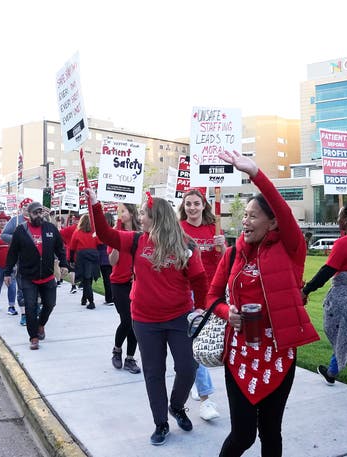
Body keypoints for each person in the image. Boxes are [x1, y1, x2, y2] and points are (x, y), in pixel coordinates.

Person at [206, 150, 319, 456]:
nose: (245, 221)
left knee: (271, 432)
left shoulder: (291, 249)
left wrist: (256, 173)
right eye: (244, 215)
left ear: (272, 223)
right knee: (242, 435)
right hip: (239, 353)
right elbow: (212, 297)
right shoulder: (232, 255)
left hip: (279, 354)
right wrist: (228, 313)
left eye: (253, 216)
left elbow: (282, 208)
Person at [87, 188, 207, 447]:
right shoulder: (136, 240)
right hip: (145, 319)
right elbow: (106, 234)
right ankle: (161, 422)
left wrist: (201, 308)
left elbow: (199, 279)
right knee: (154, 372)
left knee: (188, 368)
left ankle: (177, 406)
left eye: (143, 213)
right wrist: (95, 204)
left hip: (179, 318)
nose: (139, 217)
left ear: (156, 216)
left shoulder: (186, 245)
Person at [303, 199, 347, 403]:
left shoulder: (343, 243)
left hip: (344, 298)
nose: (337, 219)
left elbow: (327, 271)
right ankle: (332, 372)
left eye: (339, 215)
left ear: (345, 220)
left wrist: (306, 290)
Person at [178, 188, 225, 421]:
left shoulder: (213, 229)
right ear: (184, 206)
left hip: (213, 293)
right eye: (189, 204)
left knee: (213, 340)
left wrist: (223, 245)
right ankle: (206, 400)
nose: (193, 208)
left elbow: (225, 260)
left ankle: (198, 382)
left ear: (203, 205)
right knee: (197, 341)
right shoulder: (178, 230)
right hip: (189, 294)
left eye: (196, 203)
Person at [4, 202, 69, 350]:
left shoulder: (50, 229)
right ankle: (33, 337)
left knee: (50, 304)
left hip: (47, 275)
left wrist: (64, 264)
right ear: (29, 214)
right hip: (28, 277)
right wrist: (7, 272)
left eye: (40, 212)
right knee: (30, 307)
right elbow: (12, 253)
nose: (38, 215)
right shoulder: (21, 230)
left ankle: (41, 325)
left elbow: (60, 248)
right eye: (35, 213)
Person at [108, 203, 141, 374]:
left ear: (132, 212)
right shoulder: (115, 233)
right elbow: (112, 262)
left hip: (137, 283)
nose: (120, 214)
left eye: (123, 211)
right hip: (119, 284)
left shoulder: (140, 232)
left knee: (135, 322)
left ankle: (130, 358)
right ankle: (117, 349)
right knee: (127, 320)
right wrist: (116, 245)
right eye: (119, 212)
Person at [2, 198, 33, 326]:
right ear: (21, 208)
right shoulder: (15, 221)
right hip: (20, 260)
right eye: (24, 205)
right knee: (21, 287)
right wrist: (18, 239)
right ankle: (24, 315)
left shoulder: (37, 220)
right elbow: (3, 235)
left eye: (29, 205)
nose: (26, 207)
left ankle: (35, 309)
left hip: (37, 261)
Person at [69, 214, 101, 309]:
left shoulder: (77, 232)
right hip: (93, 255)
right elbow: (99, 244)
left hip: (82, 256)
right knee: (88, 279)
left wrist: (71, 260)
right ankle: (84, 298)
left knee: (86, 279)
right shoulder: (94, 232)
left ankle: (91, 301)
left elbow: (72, 248)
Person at [0, 212, 17, 314]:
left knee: (12, 285)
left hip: (10, 265)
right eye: (0, 221)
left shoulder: (13, 233)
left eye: (4, 221)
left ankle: (11, 306)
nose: (2, 223)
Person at [59, 216, 78, 294]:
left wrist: (65, 241)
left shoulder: (70, 229)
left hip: (71, 251)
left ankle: (73, 285)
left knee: (72, 270)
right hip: (82, 251)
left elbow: (60, 233)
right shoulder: (85, 228)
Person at [98, 212, 114, 305]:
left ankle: (109, 298)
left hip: (104, 258)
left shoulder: (102, 231)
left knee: (107, 280)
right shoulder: (114, 230)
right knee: (112, 279)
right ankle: (112, 297)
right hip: (112, 258)